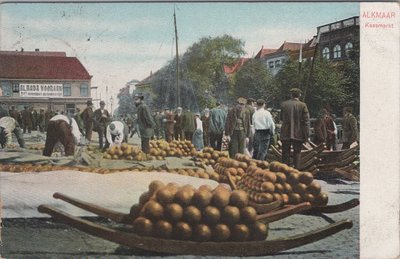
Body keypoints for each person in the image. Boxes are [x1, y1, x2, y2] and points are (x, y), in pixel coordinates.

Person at [280, 88, 310, 169]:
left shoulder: (284, 104)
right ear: (299, 95)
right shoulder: (303, 105)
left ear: (291, 95)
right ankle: (296, 172)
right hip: (298, 133)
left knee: (285, 154)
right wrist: (307, 135)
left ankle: (284, 173)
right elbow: (306, 122)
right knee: (297, 153)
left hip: (285, 132)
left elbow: (281, 119)